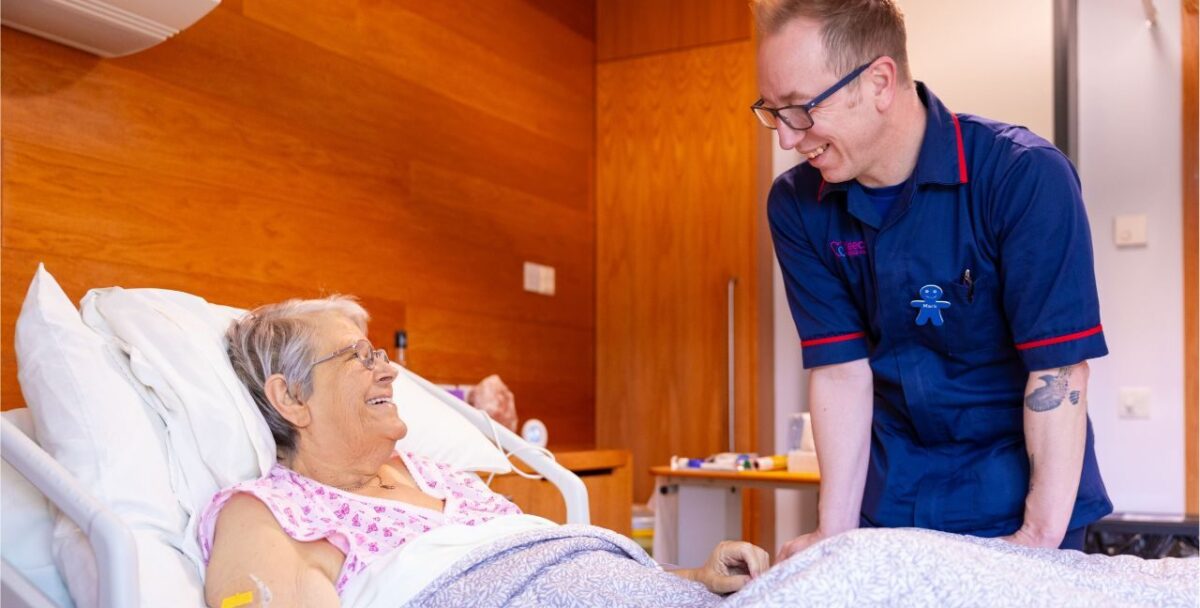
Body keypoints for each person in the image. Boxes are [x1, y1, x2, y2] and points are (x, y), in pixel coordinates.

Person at [750, 0, 1111, 560]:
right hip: (892, 504)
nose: (787, 139)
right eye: (772, 111)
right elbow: (841, 370)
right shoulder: (797, 204)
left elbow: (1057, 370)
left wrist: (1035, 544)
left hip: (1021, 501)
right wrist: (834, 534)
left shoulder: (1022, 176)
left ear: (879, 81)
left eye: (800, 109)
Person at [200, 296, 769, 606]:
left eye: (379, 354)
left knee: (851, 564)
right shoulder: (271, 511)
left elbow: (576, 575)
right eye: (360, 357)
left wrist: (693, 576)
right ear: (292, 397)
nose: (388, 370)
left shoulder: (434, 475)